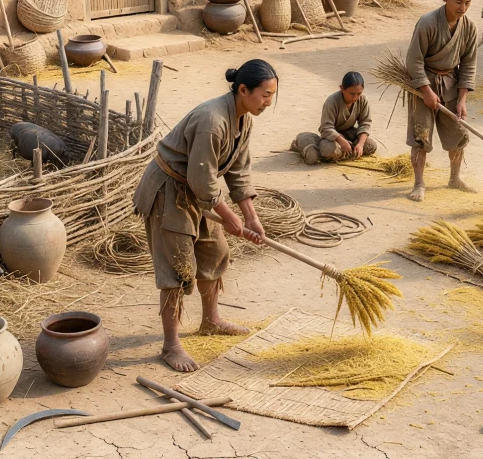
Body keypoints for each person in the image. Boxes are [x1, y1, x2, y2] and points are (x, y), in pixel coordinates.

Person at [131, 60, 275, 372]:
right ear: (243, 90)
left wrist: (250, 216)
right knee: (178, 269)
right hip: (169, 191)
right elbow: (203, 181)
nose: (268, 101)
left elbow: (238, 171)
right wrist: (229, 216)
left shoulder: (244, 119)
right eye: (264, 95)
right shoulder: (213, 121)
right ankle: (170, 345)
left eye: (272, 95)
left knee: (215, 251)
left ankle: (211, 320)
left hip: (197, 191)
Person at [405, 0, 479, 202]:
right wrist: (426, 91)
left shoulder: (469, 27)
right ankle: (419, 183)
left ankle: (455, 178)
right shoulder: (427, 23)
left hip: (451, 83)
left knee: (458, 133)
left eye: (467, 3)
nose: (462, 8)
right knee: (421, 135)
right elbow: (413, 61)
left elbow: (468, 65)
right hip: (422, 83)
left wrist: (462, 100)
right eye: (458, 2)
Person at [292, 71, 377, 164]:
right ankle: (310, 144)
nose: (355, 97)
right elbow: (326, 127)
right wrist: (342, 141)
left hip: (350, 133)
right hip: (332, 137)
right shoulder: (332, 102)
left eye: (359, 93)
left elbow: (365, 123)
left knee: (371, 145)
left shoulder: (363, 99)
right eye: (352, 94)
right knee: (328, 150)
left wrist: (360, 144)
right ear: (342, 89)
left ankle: (343, 153)